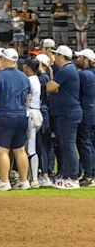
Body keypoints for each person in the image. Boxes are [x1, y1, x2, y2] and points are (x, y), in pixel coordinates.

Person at [0, 48, 31, 191]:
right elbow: (27, 97)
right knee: (20, 149)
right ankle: (24, 181)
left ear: (5, 59)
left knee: (2, 149)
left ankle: (4, 181)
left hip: (4, 115)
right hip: (21, 114)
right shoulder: (24, 77)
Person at [46, 45, 83, 189]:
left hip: (68, 113)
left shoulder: (66, 70)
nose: (54, 58)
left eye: (56, 55)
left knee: (68, 145)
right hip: (66, 112)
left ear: (61, 56)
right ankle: (66, 174)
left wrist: (52, 86)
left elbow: (50, 87)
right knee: (65, 145)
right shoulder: (68, 70)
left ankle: (73, 177)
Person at [75, 48, 95, 186]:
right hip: (93, 110)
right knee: (91, 144)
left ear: (86, 60)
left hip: (86, 112)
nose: (78, 60)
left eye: (80, 57)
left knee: (84, 143)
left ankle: (88, 175)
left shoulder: (83, 75)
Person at [22, 58, 43, 188]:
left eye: (25, 65)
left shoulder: (29, 80)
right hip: (37, 113)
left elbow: (25, 98)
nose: (23, 67)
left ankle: (32, 178)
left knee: (29, 148)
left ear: (29, 68)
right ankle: (33, 178)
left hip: (30, 113)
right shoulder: (36, 79)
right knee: (31, 147)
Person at [35, 54, 54, 187]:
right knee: (45, 145)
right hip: (46, 111)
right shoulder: (47, 77)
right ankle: (46, 172)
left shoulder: (41, 78)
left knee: (41, 145)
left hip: (41, 111)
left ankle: (45, 174)